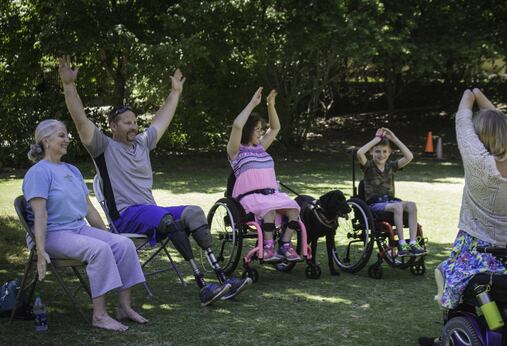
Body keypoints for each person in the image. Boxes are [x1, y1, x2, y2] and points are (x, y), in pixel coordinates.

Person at [58, 56, 250, 306]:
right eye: (128, 122)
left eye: (136, 121)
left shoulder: (142, 143)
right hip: (126, 216)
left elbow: (162, 119)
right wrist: (69, 86)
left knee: (194, 213)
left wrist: (175, 92)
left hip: (151, 212)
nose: (134, 126)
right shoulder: (102, 147)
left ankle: (222, 276)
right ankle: (202, 283)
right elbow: (80, 120)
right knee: (167, 220)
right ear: (113, 126)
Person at [23, 119, 147, 331]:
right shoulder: (38, 173)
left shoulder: (72, 170)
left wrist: (108, 235)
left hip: (77, 229)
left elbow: (89, 209)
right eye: (62, 135)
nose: (67, 139)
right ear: (46, 141)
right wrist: (41, 250)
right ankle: (99, 316)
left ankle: (124, 307)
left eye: (67, 135)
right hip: (52, 233)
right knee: (99, 250)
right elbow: (40, 214)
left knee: (123, 244)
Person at [434, 88, 507, 309]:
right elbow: (501, 124)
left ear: (481, 137)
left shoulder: (479, 163)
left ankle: (453, 327)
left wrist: (470, 94)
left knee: (446, 272)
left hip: (476, 247)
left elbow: (462, 121)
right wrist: (481, 95)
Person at [227, 87, 302, 261]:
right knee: (268, 210)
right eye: (257, 129)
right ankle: (268, 248)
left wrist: (271, 105)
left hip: (272, 195)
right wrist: (253, 103)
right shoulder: (236, 151)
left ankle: (284, 244)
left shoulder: (260, 147)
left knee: (294, 209)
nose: (261, 132)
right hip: (249, 198)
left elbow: (275, 128)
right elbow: (237, 125)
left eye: (261, 129)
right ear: (248, 130)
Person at [356, 127, 426, 256]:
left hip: (390, 201)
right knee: (398, 206)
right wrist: (377, 139)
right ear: (371, 151)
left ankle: (412, 242)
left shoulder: (391, 166)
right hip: (374, 204)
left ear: (389, 153)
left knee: (411, 205)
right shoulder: (368, 166)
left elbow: (409, 156)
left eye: (384, 151)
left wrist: (394, 139)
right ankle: (401, 243)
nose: (381, 155)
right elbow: (360, 153)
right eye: (377, 151)